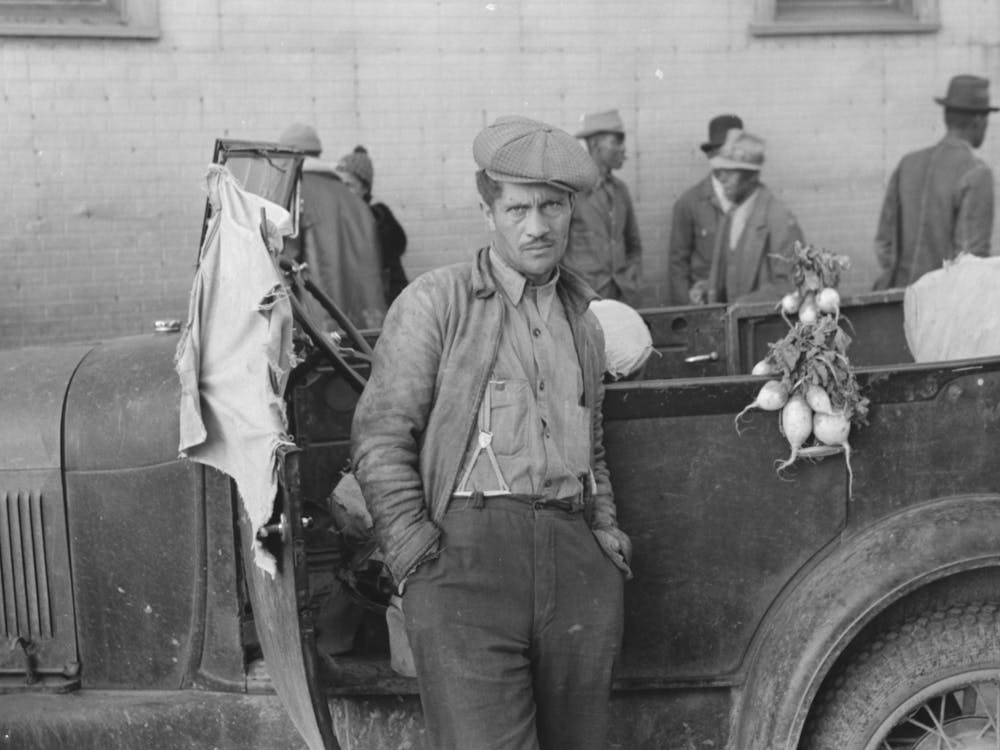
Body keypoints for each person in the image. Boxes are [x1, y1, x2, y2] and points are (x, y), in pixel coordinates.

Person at [351, 115, 632, 750]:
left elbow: (591, 448)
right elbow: (381, 437)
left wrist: (605, 535)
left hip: (575, 563)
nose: (537, 227)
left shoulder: (584, 323)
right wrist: (417, 556)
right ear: (488, 212)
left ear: (571, 210)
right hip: (465, 565)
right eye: (517, 209)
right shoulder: (436, 303)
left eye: (552, 206)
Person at [873, 74, 997, 290]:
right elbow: (971, 261)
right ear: (979, 121)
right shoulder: (977, 173)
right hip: (943, 302)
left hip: (897, 298)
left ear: (946, 115)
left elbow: (884, 244)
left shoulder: (907, 164)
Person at [277, 124, 386, 330]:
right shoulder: (355, 200)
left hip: (318, 327)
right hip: (363, 328)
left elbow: (283, 263)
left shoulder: (295, 194)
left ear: (287, 154)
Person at [697, 129, 804, 305]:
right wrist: (708, 288)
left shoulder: (780, 219)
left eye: (731, 172)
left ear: (751, 176)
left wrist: (743, 306)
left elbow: (791, 286)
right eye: (721, 171)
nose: (722, 179)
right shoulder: (730, 214)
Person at [563, 109, 644, 306]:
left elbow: (634, 244)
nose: (623, 149)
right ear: (595, 145)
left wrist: (631, 275)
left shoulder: (620, 190)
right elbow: (557, 251)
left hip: (623, 297)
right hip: (585, 300)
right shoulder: (572, 191)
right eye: (616, 142)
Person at [667, 114, 744, 306]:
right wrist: (688, 312)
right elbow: (678, 267)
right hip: (706, 307)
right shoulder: (689, 203)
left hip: (745, 306)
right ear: (711, 155)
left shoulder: (755, 203)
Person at [335, 145, 410, 305]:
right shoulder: (335, 219)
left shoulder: (378, 221)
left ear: (365, 188)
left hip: (383, 305)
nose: (342, 191)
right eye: (338, 184)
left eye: (348, 185)